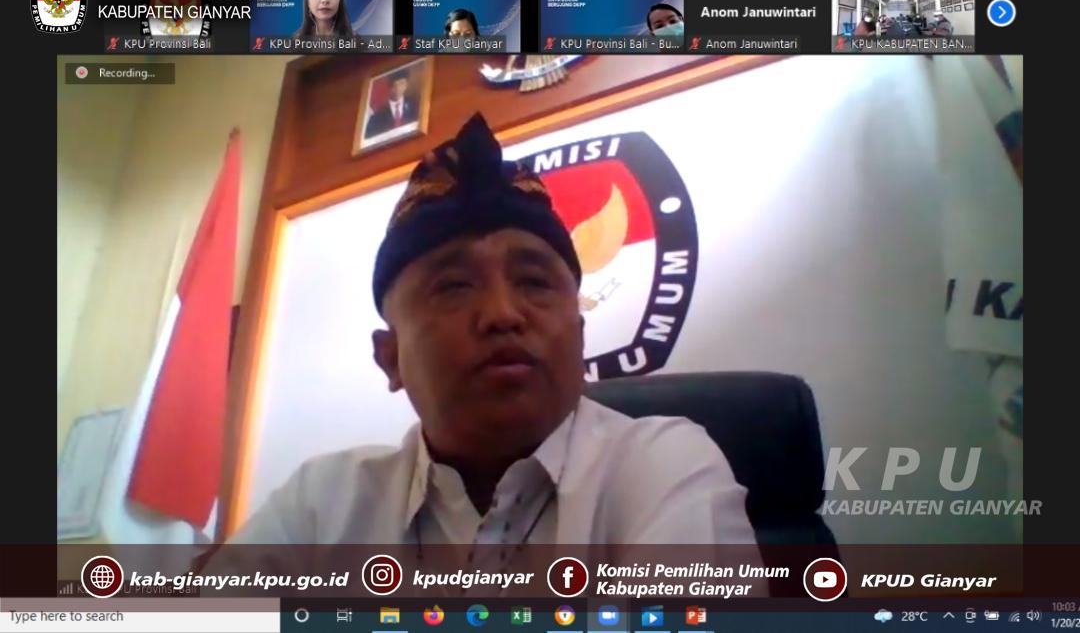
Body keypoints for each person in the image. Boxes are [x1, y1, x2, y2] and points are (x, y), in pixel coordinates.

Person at [217, 113, 759, 553]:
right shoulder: (320, 507)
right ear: (391, 358)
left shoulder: (662, 466)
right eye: (453, 287)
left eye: (534, 282)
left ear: (580, 335)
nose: (502, 314)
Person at [365, 69, 419, 137]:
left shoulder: (415, 104)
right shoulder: (378, 115)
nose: (398, 88)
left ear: (406, 85)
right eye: (395, 85)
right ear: (390, 87)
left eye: (402, 83)